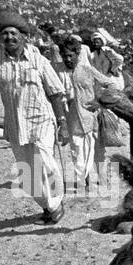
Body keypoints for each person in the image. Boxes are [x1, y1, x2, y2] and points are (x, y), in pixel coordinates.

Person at [0, 9, 69, 224]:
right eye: (5, 34)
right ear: (0, 37)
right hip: (15, 124)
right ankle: (48, 206)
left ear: (24, 36)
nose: (9, 37)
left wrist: (62, 122)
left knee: (45, 161)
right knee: (27, 171)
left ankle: (56, 204)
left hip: (41, 120)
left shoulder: (38, 60)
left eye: (14, 33)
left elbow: (55, 92)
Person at [55, 35, 116, 197]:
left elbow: (110, 84)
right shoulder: (57, 71)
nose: (68, 59)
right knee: (77, 154)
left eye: (71, 55)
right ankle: (82, 182)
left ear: (77, 54)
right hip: (71, 120)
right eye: (64, 56)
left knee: (90, 153)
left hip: (90, 118)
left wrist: (100, 101)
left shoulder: (87, 69)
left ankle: (85, 184)